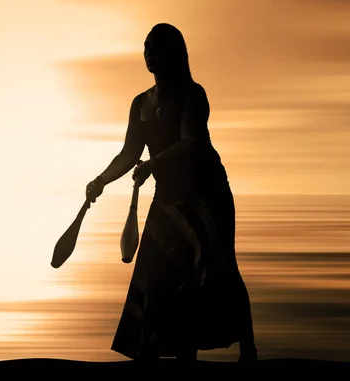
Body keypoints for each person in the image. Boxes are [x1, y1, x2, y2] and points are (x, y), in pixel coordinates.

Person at [85, 23, 258, 363]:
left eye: (157, 47)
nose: (149, 53)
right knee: (157, 272)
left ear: (173, 53)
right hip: (166, 196)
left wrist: (154, 163)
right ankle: (175, 351)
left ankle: (248, 346)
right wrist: (102, 180)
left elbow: (191, 140)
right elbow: (129, 153)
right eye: (146, 46)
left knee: (216, 266)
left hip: (205, 194)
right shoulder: (139, 104)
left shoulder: (193, 94)